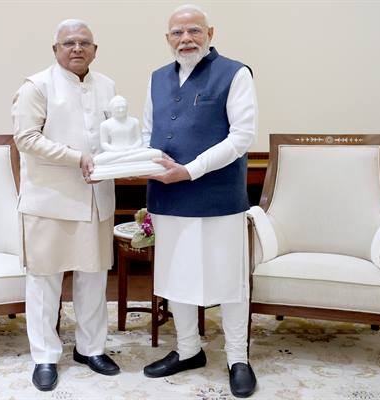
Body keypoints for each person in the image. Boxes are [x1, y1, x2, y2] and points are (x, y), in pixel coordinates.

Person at [142, 4, 258, 398]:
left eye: (194, 30)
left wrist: (190, 170)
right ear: (168, 39)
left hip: (218, 197)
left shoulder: (235, 73)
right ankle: (189, 349)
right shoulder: (156, 78)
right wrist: (145, 160)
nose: (186, 39)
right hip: (167, 196)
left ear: (210, 33)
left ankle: (238, 358)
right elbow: (146, 133)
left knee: (230, 281)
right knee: (177, 277)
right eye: (177, 33)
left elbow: (241, 137)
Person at [11, 19, 120, 392]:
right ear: (55, 49)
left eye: (84, 43)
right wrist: (77, 157)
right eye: (69, 42)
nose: (77, 48)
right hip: (49, 199)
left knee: (94, 276)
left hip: (96, 197)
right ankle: (45, 356)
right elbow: (26, 138)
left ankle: (91, 349)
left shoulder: (107, 86)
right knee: (45, 280)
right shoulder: (36, 86)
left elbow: (114, 137)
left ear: (95, 50)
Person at [94, 95, 161, 165]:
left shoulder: (134, 121)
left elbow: (139, 140)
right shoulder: (105, 124)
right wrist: (115, 150)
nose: (121, 110)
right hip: (115, 153)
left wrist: (132, 148)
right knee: (97, 160)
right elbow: (104, 143)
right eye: (117, 108)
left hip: (133, 151)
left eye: (123, 107)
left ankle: (125, 160)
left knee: (157, 153)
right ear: (111, 109)